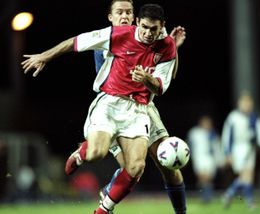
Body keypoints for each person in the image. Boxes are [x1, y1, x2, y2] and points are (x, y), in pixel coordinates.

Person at [21, 3, 180, 214]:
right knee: (97, 154)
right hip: (110, 103)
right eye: (144, 27)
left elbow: (160, 87)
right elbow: (75, 42)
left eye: (154, 29)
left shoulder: (167, 44)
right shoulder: (117, 35)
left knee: (136, 167)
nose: (148, 33)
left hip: (138, 109)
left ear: (162, 26)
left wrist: (147, 78)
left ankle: (104, 209)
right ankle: (84, 151)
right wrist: (45, 56)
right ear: (136, 23)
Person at [80, 1, 187, 213]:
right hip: (116, 109)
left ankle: (181, 211)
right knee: (132, 169)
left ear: (135, 17)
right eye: (119, 13)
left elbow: (167, 75)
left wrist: (173, 47)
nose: (125, 17)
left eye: (128, 12)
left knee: (169, 165)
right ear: (110, 17)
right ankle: (104, 195)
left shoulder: (150, 32)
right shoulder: (109, 40)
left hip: (146, 108)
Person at [221, 91, 260, 210]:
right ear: (239, 104)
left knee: (248, 176)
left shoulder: (254, 117)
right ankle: (248, 202)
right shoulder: (233, 117)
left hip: (250, 149)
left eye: (249, 103)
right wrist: (228, 153)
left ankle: (229, 194)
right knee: (246, 175)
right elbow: (227, 135)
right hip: (237, 149)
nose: (247, 105)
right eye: (244, 103)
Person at [187, 115, 223, 203]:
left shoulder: (213, 134)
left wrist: (220, 160)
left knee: (208, 178)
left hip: (210, 158)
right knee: (202, 177)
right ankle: (205, 197)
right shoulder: (194, 133)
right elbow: (188, 145)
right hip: (198, 157)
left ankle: (207, 197)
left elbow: (217, 148)